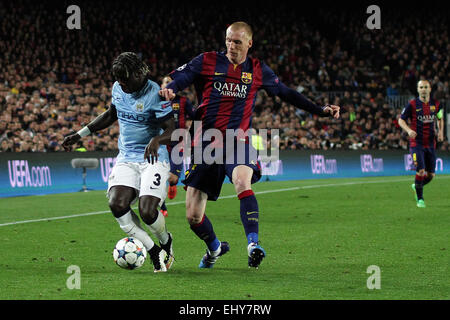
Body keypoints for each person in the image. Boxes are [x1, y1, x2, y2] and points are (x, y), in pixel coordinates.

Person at [159, 21, 340, 269]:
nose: (231, 46)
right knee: (193, 217)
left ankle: (253, 244)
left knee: (242, 181)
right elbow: (182, 77)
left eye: (237, 42)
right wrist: (170, 88)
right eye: (228, 40)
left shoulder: (257, 70)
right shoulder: (207, 60)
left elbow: (286, 93)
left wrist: (320, 110)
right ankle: (215, 248)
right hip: (206, 144)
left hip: (237, 141)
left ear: (249, 43)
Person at [62, 52, 176, 272]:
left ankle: (165, 241)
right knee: (117, 203)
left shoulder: (156, 94)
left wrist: (157, 139)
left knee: (147, 212)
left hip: (153, 157)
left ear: (138, 74)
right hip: (127, 157)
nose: (122, 84)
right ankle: (153, 251)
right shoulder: (118, 88)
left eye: (125, 79)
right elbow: (111, 114)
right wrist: (80, 134)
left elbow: (172, 130)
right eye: (119, 80)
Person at [398, 80, 444, 208]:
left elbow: (440, 118)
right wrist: (408, 130)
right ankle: (420, 199)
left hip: (430, 143)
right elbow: (401, 120)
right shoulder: (412, 105)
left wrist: (440, 132)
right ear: (418, 90)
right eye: (421, 87)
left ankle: (417, 186)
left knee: (431, 175)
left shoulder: (436, 104)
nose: (423, 89)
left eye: (426, 87)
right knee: (421, 170)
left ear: (430, 89)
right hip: (416, 143)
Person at [159, 75, 195, 217]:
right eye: (166, 83)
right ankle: (162, 205)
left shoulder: (183, 101)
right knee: (159, 175)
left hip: (178, 142)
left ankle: (172, 185)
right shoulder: (155, 101)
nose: (169, 86)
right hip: (161, 143)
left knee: (173, 178)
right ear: (161, 86)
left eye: (171, 83)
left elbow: (195, 116)